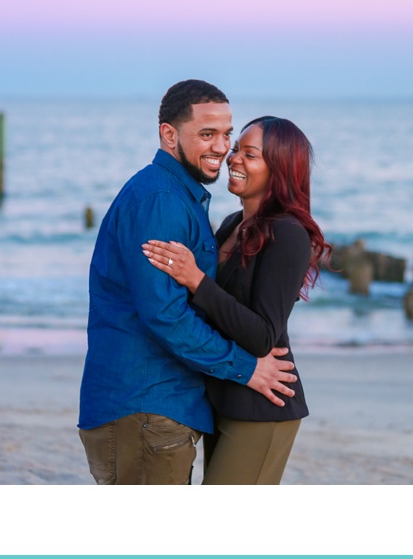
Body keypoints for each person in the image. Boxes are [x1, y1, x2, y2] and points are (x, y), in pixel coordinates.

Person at [77, 80, 298, 485]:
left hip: (157, 408)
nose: (221, 147)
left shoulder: (182, 198)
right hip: (146, 406)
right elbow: (166, 315)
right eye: (207, 134)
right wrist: (246, 368)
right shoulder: (161, 201)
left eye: (227, 134)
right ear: (169, 134)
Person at [142, 115, 331, 485]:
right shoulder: (232, 224)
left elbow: (263, 335)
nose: (233, 157)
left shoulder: (288, 235)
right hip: (226, 397)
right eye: (237, 149)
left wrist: (196, 279)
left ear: (278, 170)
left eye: (251, 154)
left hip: (263, 407)